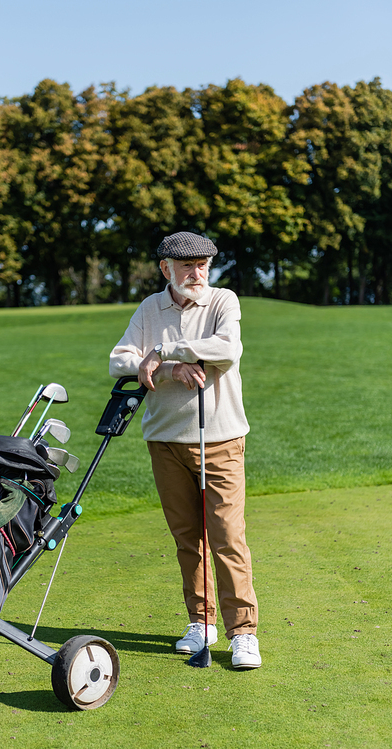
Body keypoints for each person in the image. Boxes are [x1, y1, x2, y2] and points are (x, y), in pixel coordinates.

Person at [109, 231, 261, 669]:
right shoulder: (149, 308)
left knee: (228, 537)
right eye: (187, 266)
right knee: (186, 540)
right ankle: (201, 622)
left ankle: (243, 632)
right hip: (165, 441)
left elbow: (227, 350)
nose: (197, 273)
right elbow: (119, 359)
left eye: (203, 265)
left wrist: (162, 350)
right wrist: (171, 368)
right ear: (166, 269)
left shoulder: (222, 302)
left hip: (220, 439)